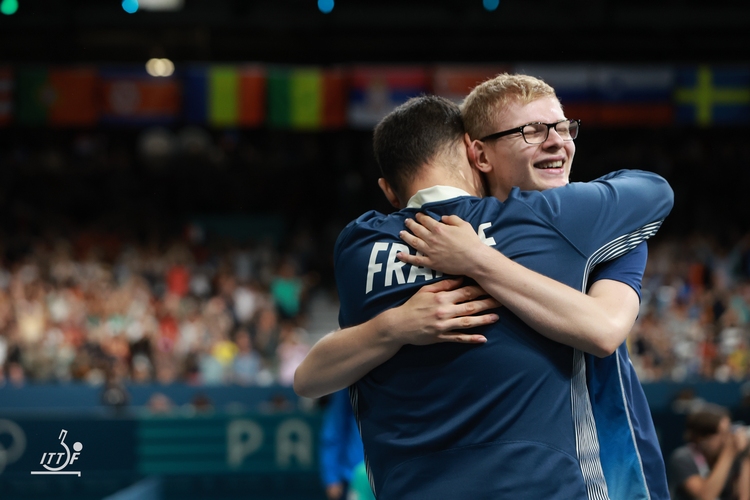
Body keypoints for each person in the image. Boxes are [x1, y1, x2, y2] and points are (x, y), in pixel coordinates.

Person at [295, 75, 671, 498]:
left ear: (388, 190)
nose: (556, 142)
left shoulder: (360, 243)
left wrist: (479, 260)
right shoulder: (556, 220)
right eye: (532, 131)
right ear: (476, 155)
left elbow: (604, 329)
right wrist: (397, 324)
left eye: (565, 128)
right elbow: (655, 190)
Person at [668, 404, 750, 500]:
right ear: (701, 438)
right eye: (722, 433)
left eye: (729, 431)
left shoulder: (733, 458)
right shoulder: (682, 458)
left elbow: (743, 497)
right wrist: (729, 453)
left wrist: (745, 456)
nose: (727, 438)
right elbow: (705, 497)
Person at [319, 389, 371, 500]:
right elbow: (334, 427)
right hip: (355, 474)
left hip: (396, 471)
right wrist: (331, 477)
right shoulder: (350, 386)